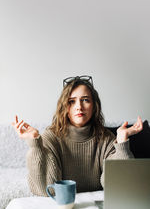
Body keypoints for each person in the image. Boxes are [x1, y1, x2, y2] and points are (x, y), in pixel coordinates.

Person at [12, 75, 143, 196]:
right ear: (64, 107)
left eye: (85, 100)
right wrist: (35, 145)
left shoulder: (106, 138)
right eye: (71, 101)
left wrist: (121, 143)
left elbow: (117, 186)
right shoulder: (51, 137)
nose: (79, 107)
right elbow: (47, 190)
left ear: (94, 106)